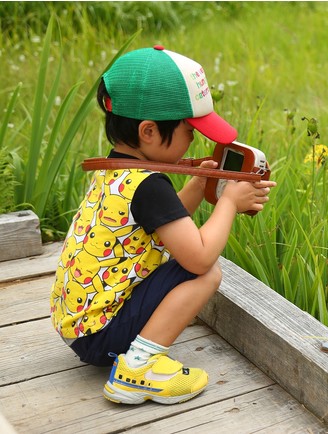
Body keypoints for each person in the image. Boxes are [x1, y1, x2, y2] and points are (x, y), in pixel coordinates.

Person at [49, 45, 276, 405]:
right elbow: (198, 258)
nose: (194, 140)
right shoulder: (149, 185)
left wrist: (199, 184)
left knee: (188, 264)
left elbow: (162, 225)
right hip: (101, 336)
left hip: (79, 326)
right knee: (206, 274)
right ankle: (136, 370)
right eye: (189, 131)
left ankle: (133, 357)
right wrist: (230, 202)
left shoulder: (118, 170)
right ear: (149, 131)